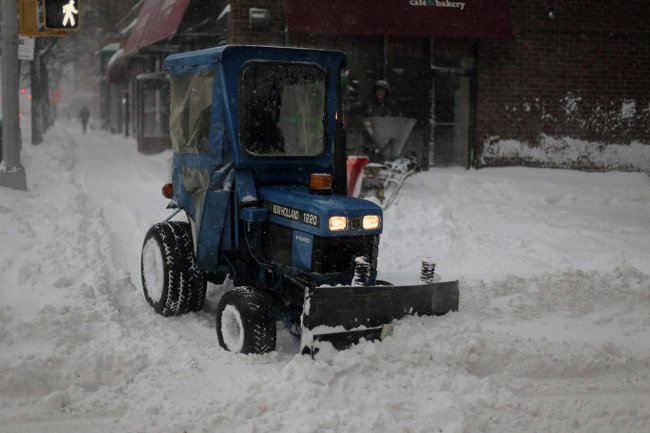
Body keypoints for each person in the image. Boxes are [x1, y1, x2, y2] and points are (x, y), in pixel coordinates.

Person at [363, 80, 401, 160]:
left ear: (386, 92)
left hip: (387, 136)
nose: (379, 92)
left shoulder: (392, 105)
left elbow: (397, 120)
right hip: (372, 136)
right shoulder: (370, 105)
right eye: (378, 90)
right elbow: (366, 118)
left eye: (382, 90)